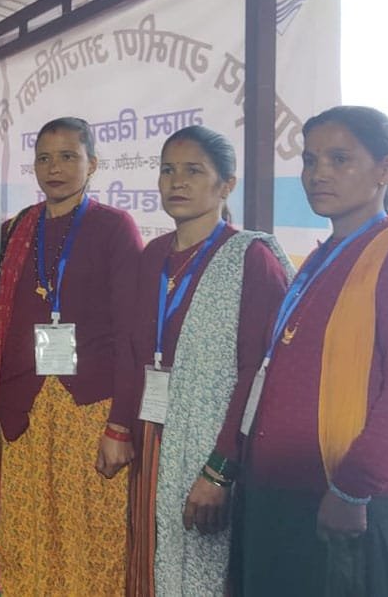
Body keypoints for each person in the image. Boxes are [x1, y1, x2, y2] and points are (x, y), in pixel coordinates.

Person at [240, 106, 388, 596]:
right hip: (291, 498)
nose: (318, 173)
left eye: (339, 159)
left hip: (363, 506)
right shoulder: (322, 256)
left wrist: (354, 487)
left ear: (386, 169)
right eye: (310, 160)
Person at [117, 126, 291, 596]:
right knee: (152, 563)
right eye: (168, 170)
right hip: (153, 439)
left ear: (226, 184)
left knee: (208, 571)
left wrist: (220, 469)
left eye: (194, 171)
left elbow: (258, 374)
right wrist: (119, 427)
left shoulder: (251, 259)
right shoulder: (153, 255)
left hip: (217, 448)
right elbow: (134, 351)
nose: (177, 181)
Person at [0, 117, 142, 595]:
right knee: (28, 534)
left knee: (93, 535)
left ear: (93, 163)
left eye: (69, 156)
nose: (55, 168)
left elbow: (131, 333)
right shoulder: (13, 232)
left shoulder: (114, 227)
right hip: (21, 410)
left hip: (91, 410)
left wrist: (120, 425)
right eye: (44, 158)